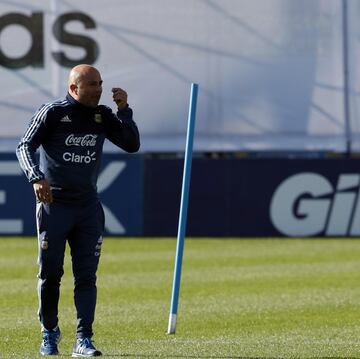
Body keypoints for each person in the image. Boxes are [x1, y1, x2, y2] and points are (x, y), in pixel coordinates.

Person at [16, 64, 140, 357]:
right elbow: (24, 146)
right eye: (92, 84)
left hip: (87, 207)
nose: (99, 89)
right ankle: (49, 332)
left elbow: (132, 144)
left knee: (87, 276)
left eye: (100, 83)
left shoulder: (103, 116)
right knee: (51, 273)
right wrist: (36, 177)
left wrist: (124, 110)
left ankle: (84, 339)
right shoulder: (53, 113)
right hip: (54, 206)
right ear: (74, 88)